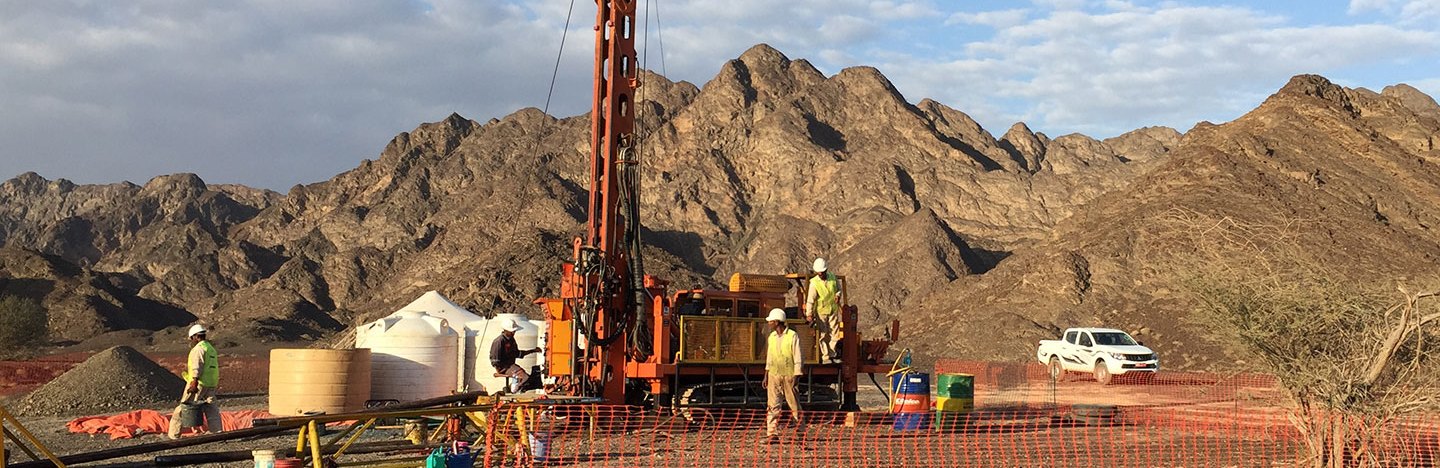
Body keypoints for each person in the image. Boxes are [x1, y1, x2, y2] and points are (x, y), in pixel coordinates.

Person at [168, 324, 223, 439]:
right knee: (212, 409)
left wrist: (194, 381)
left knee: (183, 407)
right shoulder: (210, 349)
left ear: (196, 337)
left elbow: (197, 366)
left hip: (199, 384)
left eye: (191, 338)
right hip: (210, 384)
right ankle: (217, 433)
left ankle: (173, 435)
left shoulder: (198, 349)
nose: (191, 341)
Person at [762, 308, 805, 444]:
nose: (769, 324)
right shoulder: (772, 337)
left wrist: (797, 375)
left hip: (789, 376)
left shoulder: (792, 336)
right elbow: (770, 358)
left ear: (777, 322)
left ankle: (800, 434)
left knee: (794, 406)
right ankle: (771, 434)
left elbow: (798, 356)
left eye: (770, 321)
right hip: (774, 375)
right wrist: (766, 375)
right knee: (773, 405)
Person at [805, 257, 842, 362]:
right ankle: (825, 356)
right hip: (821, 312)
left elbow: (839, 289)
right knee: (822, 334)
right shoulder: (814, 282)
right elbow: (810, 300)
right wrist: (809, 314)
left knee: (835, 333)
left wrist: (838, 295)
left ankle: (832, 353)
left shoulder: (833, 278)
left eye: (822, 272)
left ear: (826, 270)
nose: (820, 274)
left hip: (833, 310)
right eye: (818, 273)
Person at [490, 320, 538, 394]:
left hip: (510, 365)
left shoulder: (511, 340)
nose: (513, 333)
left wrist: (532, 350)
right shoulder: (499, 341)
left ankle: (513, 389)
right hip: (503, 367)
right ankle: (513, 392)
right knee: (522, 377)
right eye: (512, 331)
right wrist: (500, 370)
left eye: (514, 331)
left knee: (527, 378)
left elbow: (517, 353)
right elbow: (495, 359)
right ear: (505, 330)